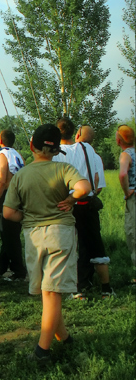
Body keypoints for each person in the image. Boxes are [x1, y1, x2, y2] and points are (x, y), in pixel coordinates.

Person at [3, 124, 91, 363]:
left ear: (32, 146)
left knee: (48, 291)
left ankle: (48, 347)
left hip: (33, 236)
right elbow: (84, 188)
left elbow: (9, 213)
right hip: (60, 234)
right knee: (52, 292)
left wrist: (28, 217)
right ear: (56, 150)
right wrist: (71, 199)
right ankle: (49, 348)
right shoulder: (64, 168)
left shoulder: (21, 175)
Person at [53, 117, 101, 298]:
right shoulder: (86, 149)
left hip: (64, 202)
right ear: (76, 133)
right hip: (84, 200)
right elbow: (95, 180)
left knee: (65, 244)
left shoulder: (55, 153)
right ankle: (84, 281)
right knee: (86, 243)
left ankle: (67, 283)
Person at [74, 125, 115, 299]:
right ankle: (106, 289)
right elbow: (99, 185)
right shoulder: (96, 157)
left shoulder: (70, 152)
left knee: (78, 245)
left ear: (77, 135)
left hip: (74, 204)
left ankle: (80, 287)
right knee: (95, 244)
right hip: (90, 204)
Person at [0, 129, 26, 281]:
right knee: (10, 234)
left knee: (9, 236)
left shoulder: (2, 154)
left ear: (0, 140)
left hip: (8, 196)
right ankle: (0, 267)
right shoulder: (18, 155)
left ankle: (19, 271)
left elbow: (2, 180)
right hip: (20, 195)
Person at [116, 124, 136, 268]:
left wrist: (126, 192)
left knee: (133, 233)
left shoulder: (125, 155)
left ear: (119, 141)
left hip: (133, 197)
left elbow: (123, 174)